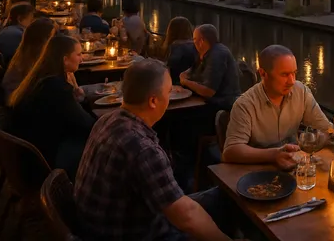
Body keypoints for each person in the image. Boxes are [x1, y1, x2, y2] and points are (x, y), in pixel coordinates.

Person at [74, 59, 232, 241]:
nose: (170, 96)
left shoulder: (106, 120)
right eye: (169, 91)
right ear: (153, 101)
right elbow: (186, 216)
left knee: (224, 197)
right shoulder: (142, 148)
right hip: (133, 234)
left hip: (99, 225)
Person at [222, 44, 332, 170]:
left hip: (293, 167)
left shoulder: (301, 92)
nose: (291, 81)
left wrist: (320, 140)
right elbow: (230, 151)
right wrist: (274, 155)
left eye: (294, 73)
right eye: (285, 75)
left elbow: (327, 129)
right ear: (263, 74)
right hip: (257, 171)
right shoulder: (245, 105)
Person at [9, 35, 94, 179]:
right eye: (78, 55)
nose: (82, 60)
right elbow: (88, 126)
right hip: (46, 160)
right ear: (65, 60)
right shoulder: (56, 88)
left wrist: (77, 97)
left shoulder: (38, 78)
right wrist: (83, 100)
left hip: (28, 153)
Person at [180, 24, 240, 111]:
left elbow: (208, 91)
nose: (193, 43)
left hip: (223, 103)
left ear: (201, 41)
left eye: (194, 40)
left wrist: (185, 82)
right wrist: (186, 73)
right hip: (215, 100)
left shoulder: (217, 56)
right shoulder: (208, 51)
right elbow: (195, 68)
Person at [1, 17, 57, 98]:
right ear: (43, 40)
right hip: (20, 100)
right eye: (53, 37)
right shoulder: (33, 63)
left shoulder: (25, 55)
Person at [0, 2, 35, 67]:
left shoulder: (6, 30)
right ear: (19, 19)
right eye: (31, 19)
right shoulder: (20, 35)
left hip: (2, 67)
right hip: (11, 68)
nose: (33, 22)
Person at [162, 17, 198, 84]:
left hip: (177, 83)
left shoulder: (177, 46)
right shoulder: (196, 45)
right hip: (193, 82)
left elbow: (171, 67)